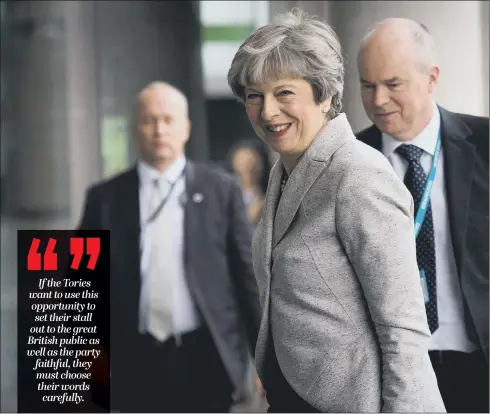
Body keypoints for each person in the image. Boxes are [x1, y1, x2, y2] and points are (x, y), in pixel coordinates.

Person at [227, 9, 446, 413]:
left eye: (284, 93)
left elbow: (403, 329)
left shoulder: (358, 175)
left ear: (324, 95)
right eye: (254, 96)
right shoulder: (284, 169)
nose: (268, 111)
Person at [77, 81, 261, 412]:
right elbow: (82, 286)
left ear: (186, 128)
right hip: (134, 359)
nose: (159, 130)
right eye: (149, 120)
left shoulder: (221, 191)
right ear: (135, 129)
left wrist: (264, 360)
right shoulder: (104, 199)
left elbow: (247, 278)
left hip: (205, 356)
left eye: (168, 120)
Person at [356, 18, 489, 413]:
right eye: (367, 85)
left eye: (393, 84)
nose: (378, 100)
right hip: (388, 373)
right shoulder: (347, 161)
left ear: (431, 78)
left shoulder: (484, 145)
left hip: (478, 364)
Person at [227, 140, 266, 226]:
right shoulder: (228, 195)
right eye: (243, 163)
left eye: (251, 162)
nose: (248, 167)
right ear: (234, 166)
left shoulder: (270, 190)